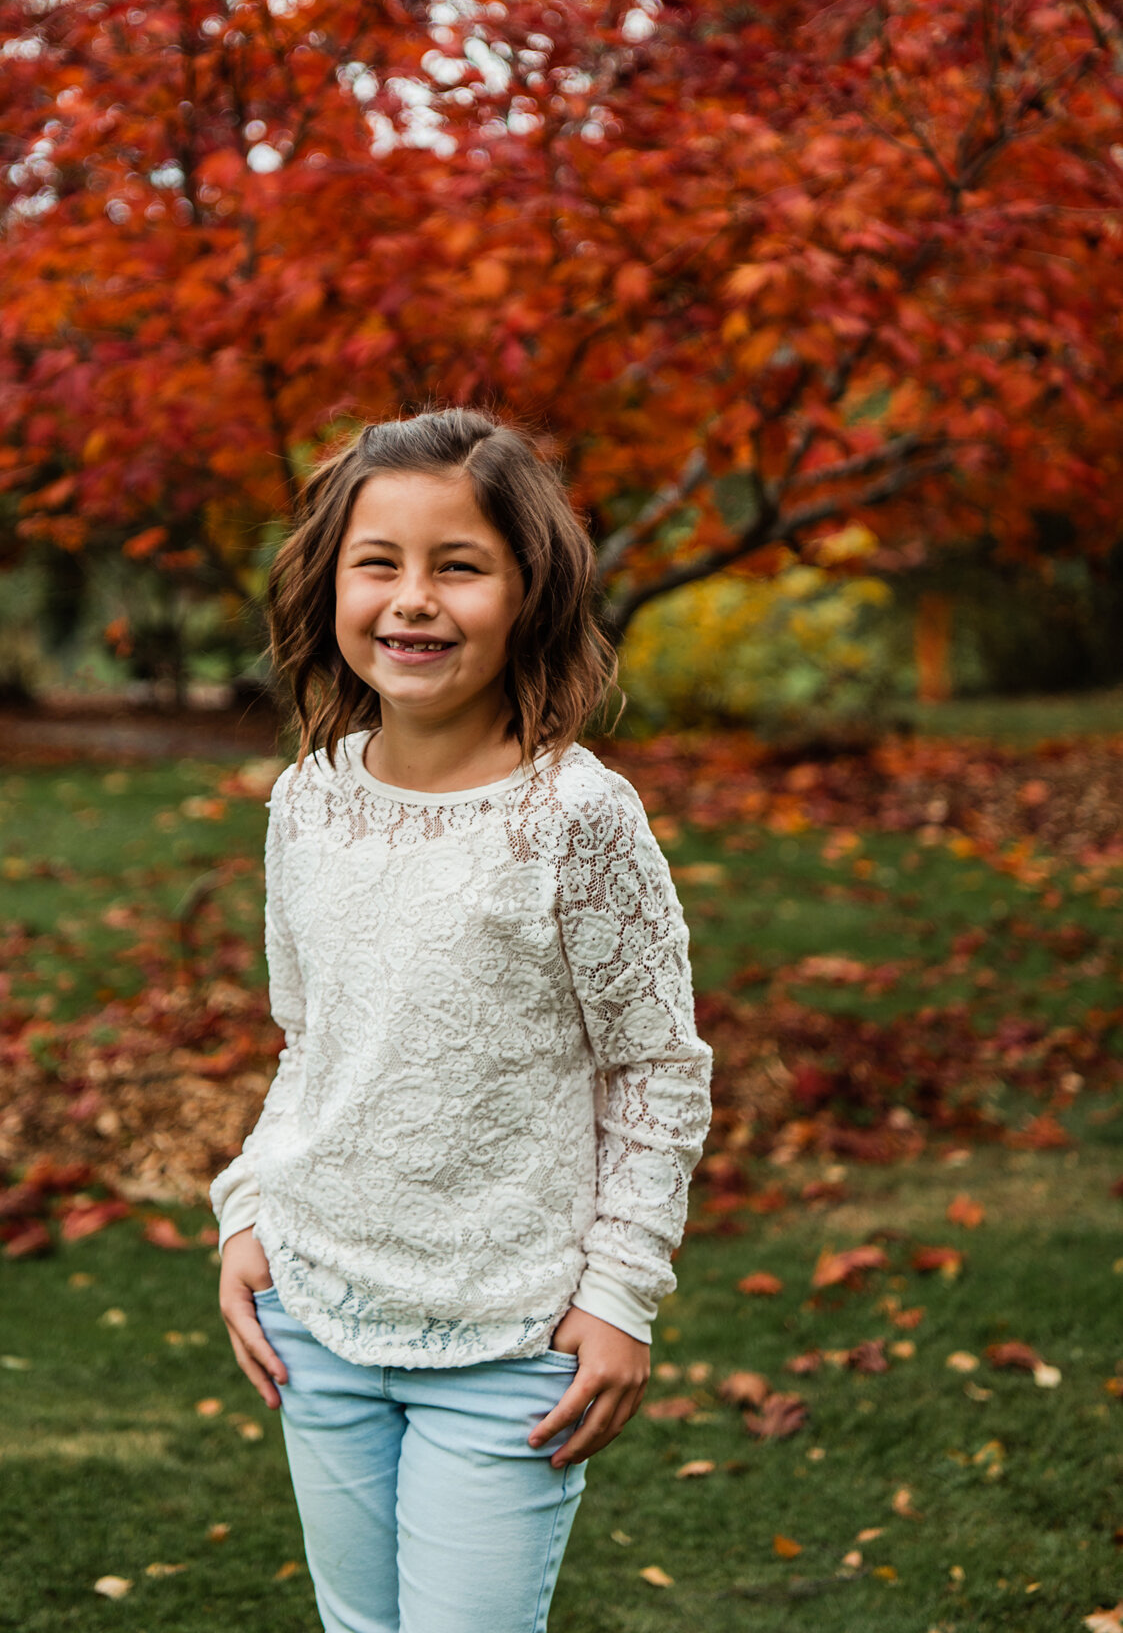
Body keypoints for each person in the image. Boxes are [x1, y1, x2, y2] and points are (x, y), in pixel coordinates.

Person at [210, 408, 712, 1633]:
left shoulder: (575, 817)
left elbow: (656, 1070)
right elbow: (308, 1041)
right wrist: (247, 1209)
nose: (412, 599)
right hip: (315, 1315)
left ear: (527, 588)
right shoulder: (306, 802)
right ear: (330, 581)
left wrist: (618, 1296)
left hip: (510, 1339)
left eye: (459, 564)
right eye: (378, 562)